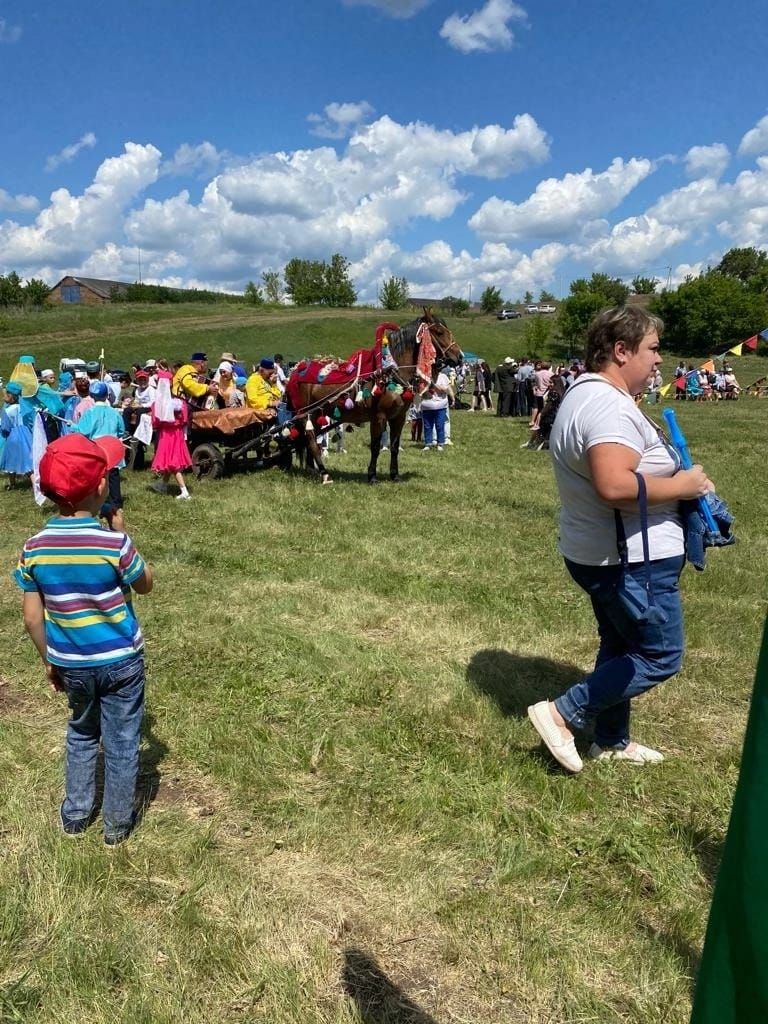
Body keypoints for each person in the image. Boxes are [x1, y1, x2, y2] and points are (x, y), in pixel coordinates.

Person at [527, 305, 712, 773]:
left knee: (620, 645)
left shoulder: (585, 395)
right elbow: (615, 486)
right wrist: (685, 486)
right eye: (652, 349)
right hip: (631, 559)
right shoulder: (607, 405)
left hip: (603, 552)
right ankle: (562, 713)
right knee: (659, 654)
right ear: (620, 350)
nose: (659, 360)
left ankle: (610, 739)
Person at [13, 433, 153, 845]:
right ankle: (116, 825)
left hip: (71, 662)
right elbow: (144, 585)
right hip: (121, 661)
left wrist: (48, 658)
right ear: (99, 487)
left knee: (81, 732)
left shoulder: (35, 548)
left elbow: (31, 617)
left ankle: (75, 814)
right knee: (123, 740)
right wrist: (124, 535)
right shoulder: (113, 542)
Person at [75, 381, 127, 520]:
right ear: (107, 395)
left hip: (96, 448)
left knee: (96, 477)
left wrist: (74, 427)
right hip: (112, 448)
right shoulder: (114, 412)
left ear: (92, 395)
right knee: (114, 476)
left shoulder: (89, 412)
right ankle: (117, 503)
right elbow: (121, 430)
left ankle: (96, 502)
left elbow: (83, 431)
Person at [151, 370, 193, 499]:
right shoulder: (179, 402)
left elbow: (156, 421)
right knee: (170, 460)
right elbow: (185, 418)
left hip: (166, 434)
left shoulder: (158, 403)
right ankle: (163, 485)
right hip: (177, 433)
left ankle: (184, 490)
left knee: (173, 463)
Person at [0, 381, 34, 486]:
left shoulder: (7, 410)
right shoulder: (24, 407)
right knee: (27, 459)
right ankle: (34, 483)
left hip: (13, 436)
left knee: (11, 458)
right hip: (26, 434)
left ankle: (12, 483)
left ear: (10, 396)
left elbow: (6, 427)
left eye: (5, 394)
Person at [421, 371, 453, 451]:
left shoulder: (443, 376)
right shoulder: (425, 376)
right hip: (427, 406)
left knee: (440, 425)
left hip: (440, 405)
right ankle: (428, 443)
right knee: (427, 426)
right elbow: (421, 391)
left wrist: (433, 383)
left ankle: (440, 443)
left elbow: (445, 389)